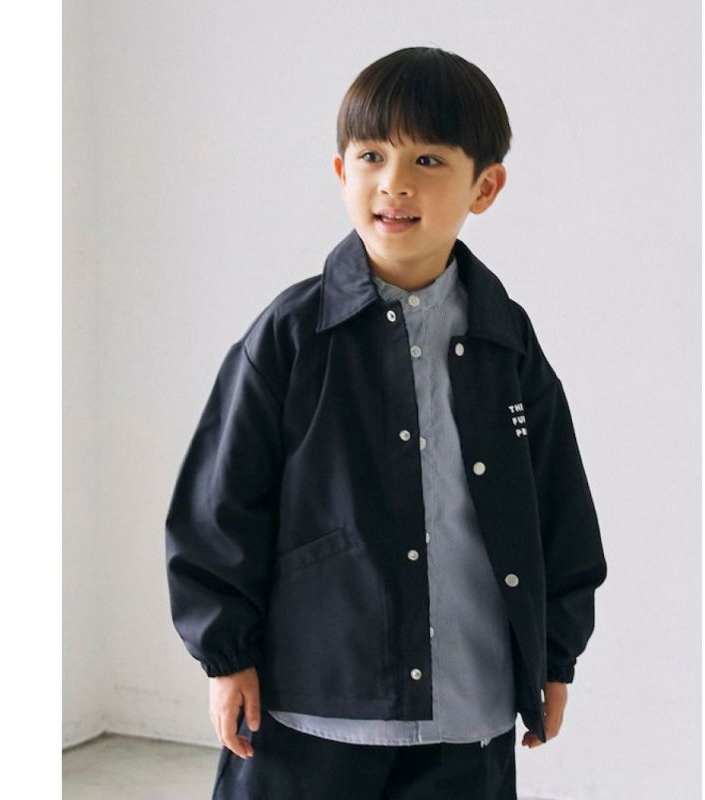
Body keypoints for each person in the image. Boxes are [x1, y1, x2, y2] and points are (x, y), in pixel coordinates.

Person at [165, 45, 607, 800]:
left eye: (428, 160)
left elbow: (558, 505)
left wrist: (554, 657)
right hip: (313, 699)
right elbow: (219, 505)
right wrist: (225, 655)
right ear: (342, 171)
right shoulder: (291, 335)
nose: (394, 182)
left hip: (467, 705)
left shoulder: (505, 338)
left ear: (485, 186)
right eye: (372, 155)